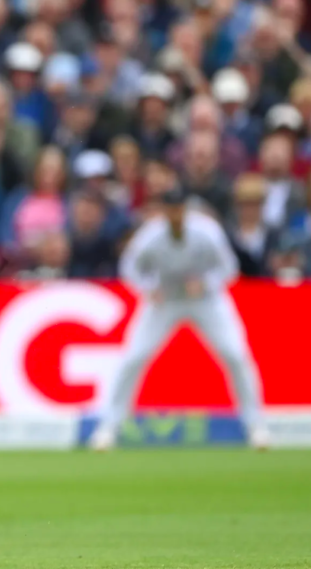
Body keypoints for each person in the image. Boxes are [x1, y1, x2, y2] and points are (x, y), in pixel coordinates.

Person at [89, 188, 269, 451]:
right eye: (170, 210)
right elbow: (130, 268)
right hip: (165, 301)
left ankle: (256, 426)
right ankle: (108, 428)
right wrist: (149, 287)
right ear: (164, 211)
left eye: (179, 209)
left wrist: (206, 283)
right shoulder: (150, 236)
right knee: (133, 357)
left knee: (236, 354)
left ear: (185, 210)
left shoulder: (207, 232)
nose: (175, 215)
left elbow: (228, 267)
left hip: (206, 300)